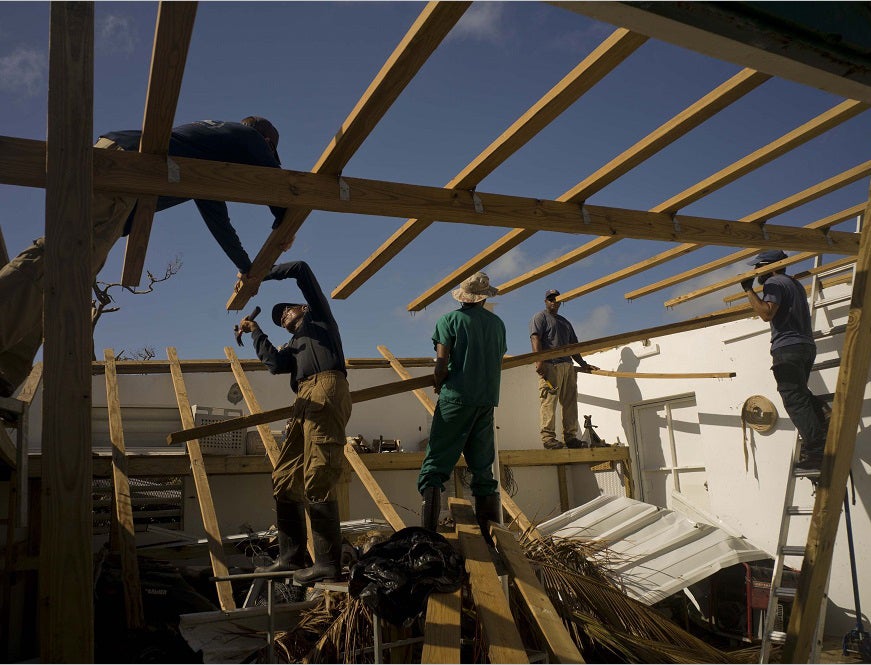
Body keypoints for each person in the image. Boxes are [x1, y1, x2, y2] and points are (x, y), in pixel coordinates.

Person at [0, 116, 286, 398]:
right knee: (61, 262)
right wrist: (284, 219)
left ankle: (6, 370)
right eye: (269, 151)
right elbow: (279, 181)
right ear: (266, 142)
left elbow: (219, 221)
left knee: (67, 281)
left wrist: (246, 267)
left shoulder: (205, 154)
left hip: (119, 166)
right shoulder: (247, 136)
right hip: (125, 169)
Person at [237, 260, 351, 584]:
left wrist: (258, 273)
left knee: (318, 472)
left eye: (286, 311)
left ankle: (329, 563)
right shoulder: (295, 346)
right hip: (303, 397)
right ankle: (291, 557)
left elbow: (301, 268)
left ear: (302, 307)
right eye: (279, 318)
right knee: (285, 476)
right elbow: (274, 363)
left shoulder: (319, 318)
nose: (283, 316)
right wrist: (255, 330)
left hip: (327, 387)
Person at [417, 272, 507, 546]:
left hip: (456, 398)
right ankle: (489, 539)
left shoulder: (449, 321)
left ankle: (430, 539)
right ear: (483, 298)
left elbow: (441, 364)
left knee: (435, 465)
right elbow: (496, 357)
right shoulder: (497, 324)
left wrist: (438, 382)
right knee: (482, 468)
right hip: (485, 401)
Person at [741, 250, 829, 473]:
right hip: (806, 346)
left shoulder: (773, 282)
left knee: (793, 399)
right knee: (799, 392)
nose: (755, 272)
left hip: (787, 348)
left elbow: (766, 313)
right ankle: (823, 413)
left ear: (769, 267)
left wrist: (748, 289)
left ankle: (817, 451)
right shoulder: (794, 284)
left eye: (758, 268)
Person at [529, 289, 598, 450]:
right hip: (551, 365)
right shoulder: (540, 317)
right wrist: (539, 360)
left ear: (560, 302)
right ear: (546, 301)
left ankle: (571, 437)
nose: (553, 301)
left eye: (556, 299)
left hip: (568, 367)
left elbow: (573, 346)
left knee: (570, 403)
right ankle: (548, 438)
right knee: (549, 401)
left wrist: (582, 364)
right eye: (550, 299)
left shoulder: (565, 322)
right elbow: (535, 337)